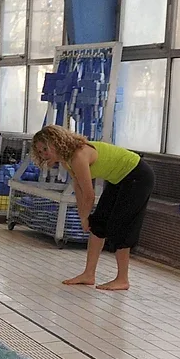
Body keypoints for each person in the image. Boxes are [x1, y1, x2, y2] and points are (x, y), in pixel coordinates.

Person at [30, 125, 156, 291]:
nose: (44, 155)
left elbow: (89, 194)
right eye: (40, 152)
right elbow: (78, 187)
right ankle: (89, 274)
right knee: (98, 224)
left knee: (121, 226)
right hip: (120, 178)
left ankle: (122, 279)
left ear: (57, 143)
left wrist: (83, 218)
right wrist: (85, 217)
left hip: (137, 176)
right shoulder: (67, 159)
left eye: (46, 149)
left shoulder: (78, 156)